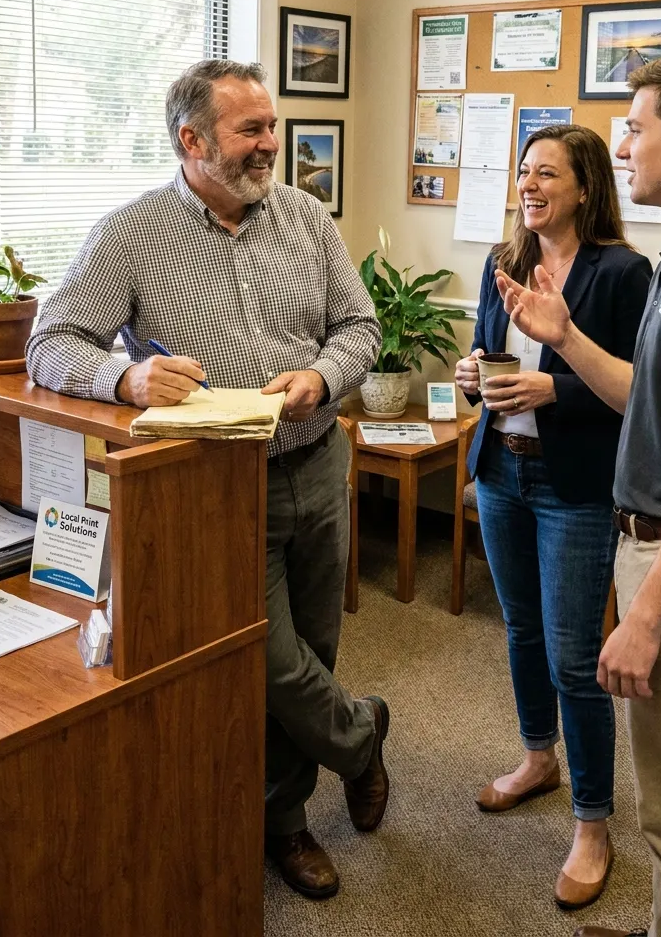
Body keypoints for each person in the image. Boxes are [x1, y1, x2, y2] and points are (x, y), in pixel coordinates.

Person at [26, 59, 390, 902]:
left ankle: (282, 818)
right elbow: (53, 341)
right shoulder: (131, 233)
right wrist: (124, 380)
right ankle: (361, 739)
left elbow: (359, 326)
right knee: (272, 662)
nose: (271, 144)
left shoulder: (305, 216)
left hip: (317, 457)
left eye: (272, 125)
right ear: (192, 141)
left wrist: (321, 378)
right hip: (219, 490)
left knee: (317, 646)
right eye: (250, 131)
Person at [495, 51, 661, 937]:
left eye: (635, 127)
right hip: (651, 543)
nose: (623, 145)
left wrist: (641, 615)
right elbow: (649, 403)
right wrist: (566, 340)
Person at [455, 124, 652, 911]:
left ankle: (594, 821)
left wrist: (552, 390)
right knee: (522, 631)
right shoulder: (505, 262)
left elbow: (637, 393)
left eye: (547, 174)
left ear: (583, 187)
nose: (530, 185)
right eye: (523, 172)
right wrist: (473, 374)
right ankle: (539, 758)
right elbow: (481, 356)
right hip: (501, 470)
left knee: (576, 657)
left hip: (574, 485)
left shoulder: (622, 273)